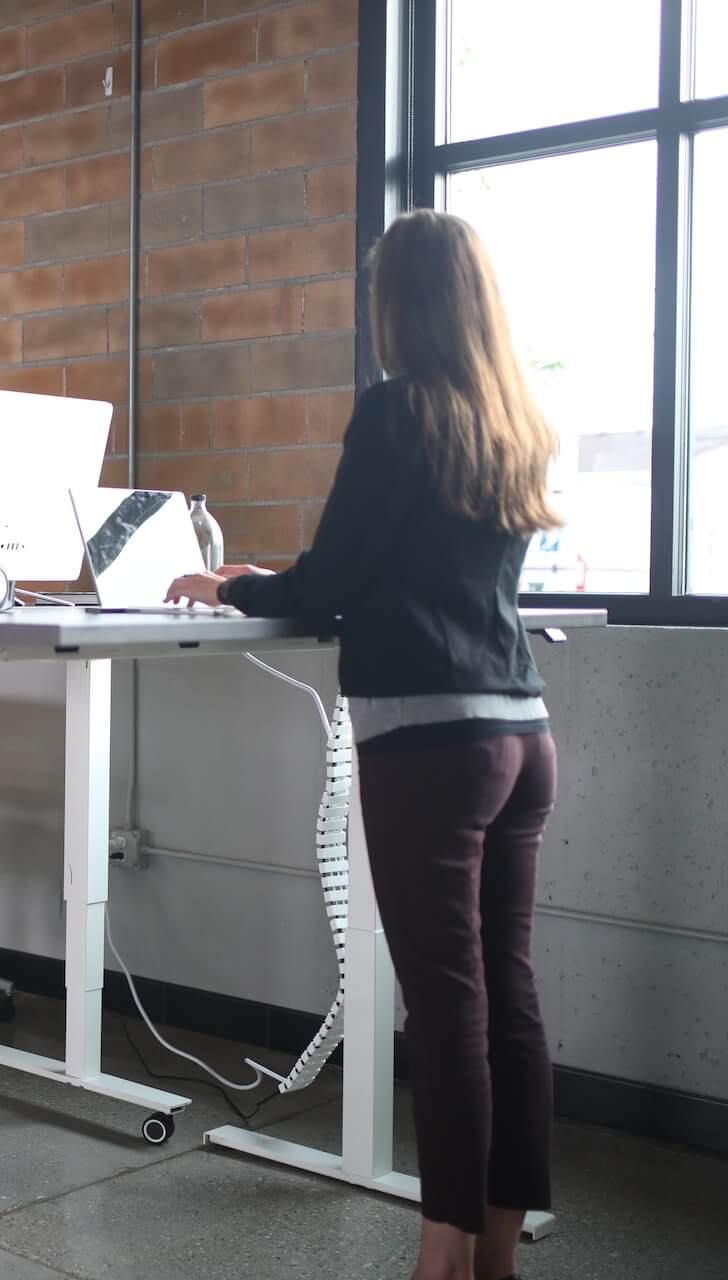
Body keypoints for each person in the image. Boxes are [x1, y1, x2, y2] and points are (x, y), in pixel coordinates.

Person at [168, 210, 562, 1280]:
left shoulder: (398, 413)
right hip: (521, 733)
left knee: (447, 1006)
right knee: (506, 991)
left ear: (399, 302)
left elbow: (332, 581)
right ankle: (494, 1249)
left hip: (430, 746)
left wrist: (234, 583)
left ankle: (439, 1254)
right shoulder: (509, 420)